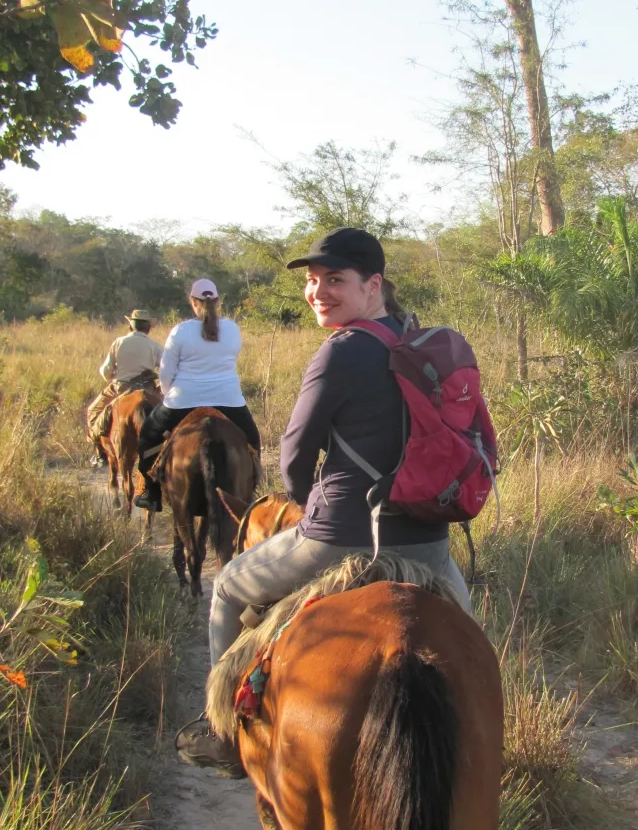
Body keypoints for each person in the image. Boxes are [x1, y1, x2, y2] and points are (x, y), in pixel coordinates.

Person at [176, 227, 471, 772]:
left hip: (341, 540)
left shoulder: (342, 350)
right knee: (470, 641)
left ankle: (219, 731)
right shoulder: (425, 343)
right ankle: (478, 746)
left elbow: (294, 454)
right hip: (428, 543)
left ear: (373, 284)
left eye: (335, 279)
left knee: (228, 586)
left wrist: (310, 504)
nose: (318, 292)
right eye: (313, 281)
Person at [135, 279, 260, 513]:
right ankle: (251, 489)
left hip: (183, 401)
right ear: (218, 301)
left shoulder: (180, 331)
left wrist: (168, 394)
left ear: (193, 302)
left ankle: (150, 493)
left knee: (147, 438)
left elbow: (166, 372)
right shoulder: (232, 328)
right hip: (229, 401)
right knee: (253, 440)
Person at [86, 309, 162, 457]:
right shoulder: (155, 346)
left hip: (121, 388)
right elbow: (167, 368)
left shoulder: (119, 342)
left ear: (130, 326)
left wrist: (113, 378)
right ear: (148, 329)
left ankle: (99, 451)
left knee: (93, 412)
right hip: (148, 389)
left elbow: (106, 371)